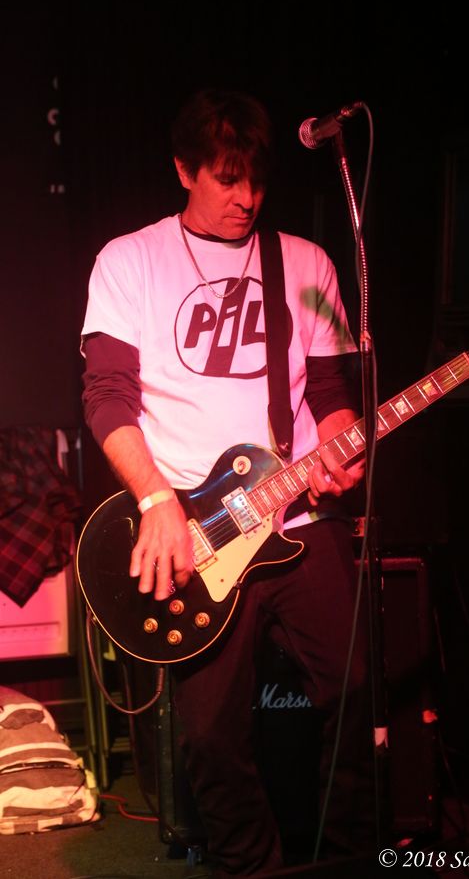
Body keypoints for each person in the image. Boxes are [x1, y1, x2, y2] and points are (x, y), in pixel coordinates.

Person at [81, 88, 374, 876]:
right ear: (184, 170)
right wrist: (155, 502)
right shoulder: (127, 261)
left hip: (297, 522)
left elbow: (332, 391)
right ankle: (250, 866)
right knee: (210, 736)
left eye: (257, 182)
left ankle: (345, 855)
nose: (246, 199)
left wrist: (342, 446)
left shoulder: (307, 264)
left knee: (356, 693)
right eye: (226, 179)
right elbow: (107, 395)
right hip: (196, 530)